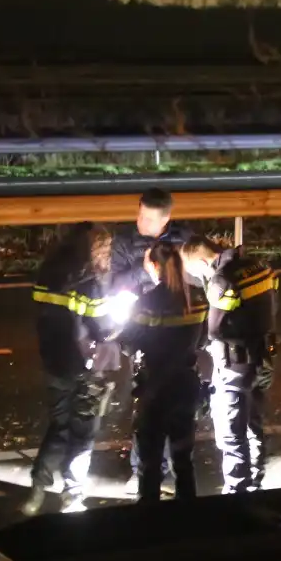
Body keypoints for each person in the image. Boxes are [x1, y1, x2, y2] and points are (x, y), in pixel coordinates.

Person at [21, 222, 116, 516]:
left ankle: (36, 491)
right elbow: (102, 329)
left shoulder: (49, 270)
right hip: (83, 366)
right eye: (106, 249)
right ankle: (72, 496)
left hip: (53, 360)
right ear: (95, 249)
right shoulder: (89, 279)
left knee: (58, 426)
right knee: (82, 433)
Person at [108, 188, 194, 495]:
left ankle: (167, 475)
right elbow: (114, 284)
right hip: (147, 334)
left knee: (167, 412)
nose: (139, 221)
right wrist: (143, 273)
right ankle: (144, 470)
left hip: (177, 336)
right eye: (139, 213)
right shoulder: (124, 241)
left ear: (166, 219)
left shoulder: (184, 238)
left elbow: (193, 280)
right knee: (147, 408)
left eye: (147, 217)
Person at [180, 235, 279, 493]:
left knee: (231, 431)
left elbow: (213, 330)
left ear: (201, 260)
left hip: (235, 365)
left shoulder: (221, 280)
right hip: (263, 357)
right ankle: (256, 478)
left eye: (192, 270)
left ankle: (237, 490)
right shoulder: (259, 266)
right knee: (253, 422)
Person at [116, 240, 207, 502]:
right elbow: (201, 341)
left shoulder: (147, 303)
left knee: (151, 461)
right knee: (183, 459)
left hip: (155, 388)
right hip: (186, 385)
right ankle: (187, 517)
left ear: (155, 267)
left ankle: (149, 521)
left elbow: (128, 344)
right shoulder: (197, 299)